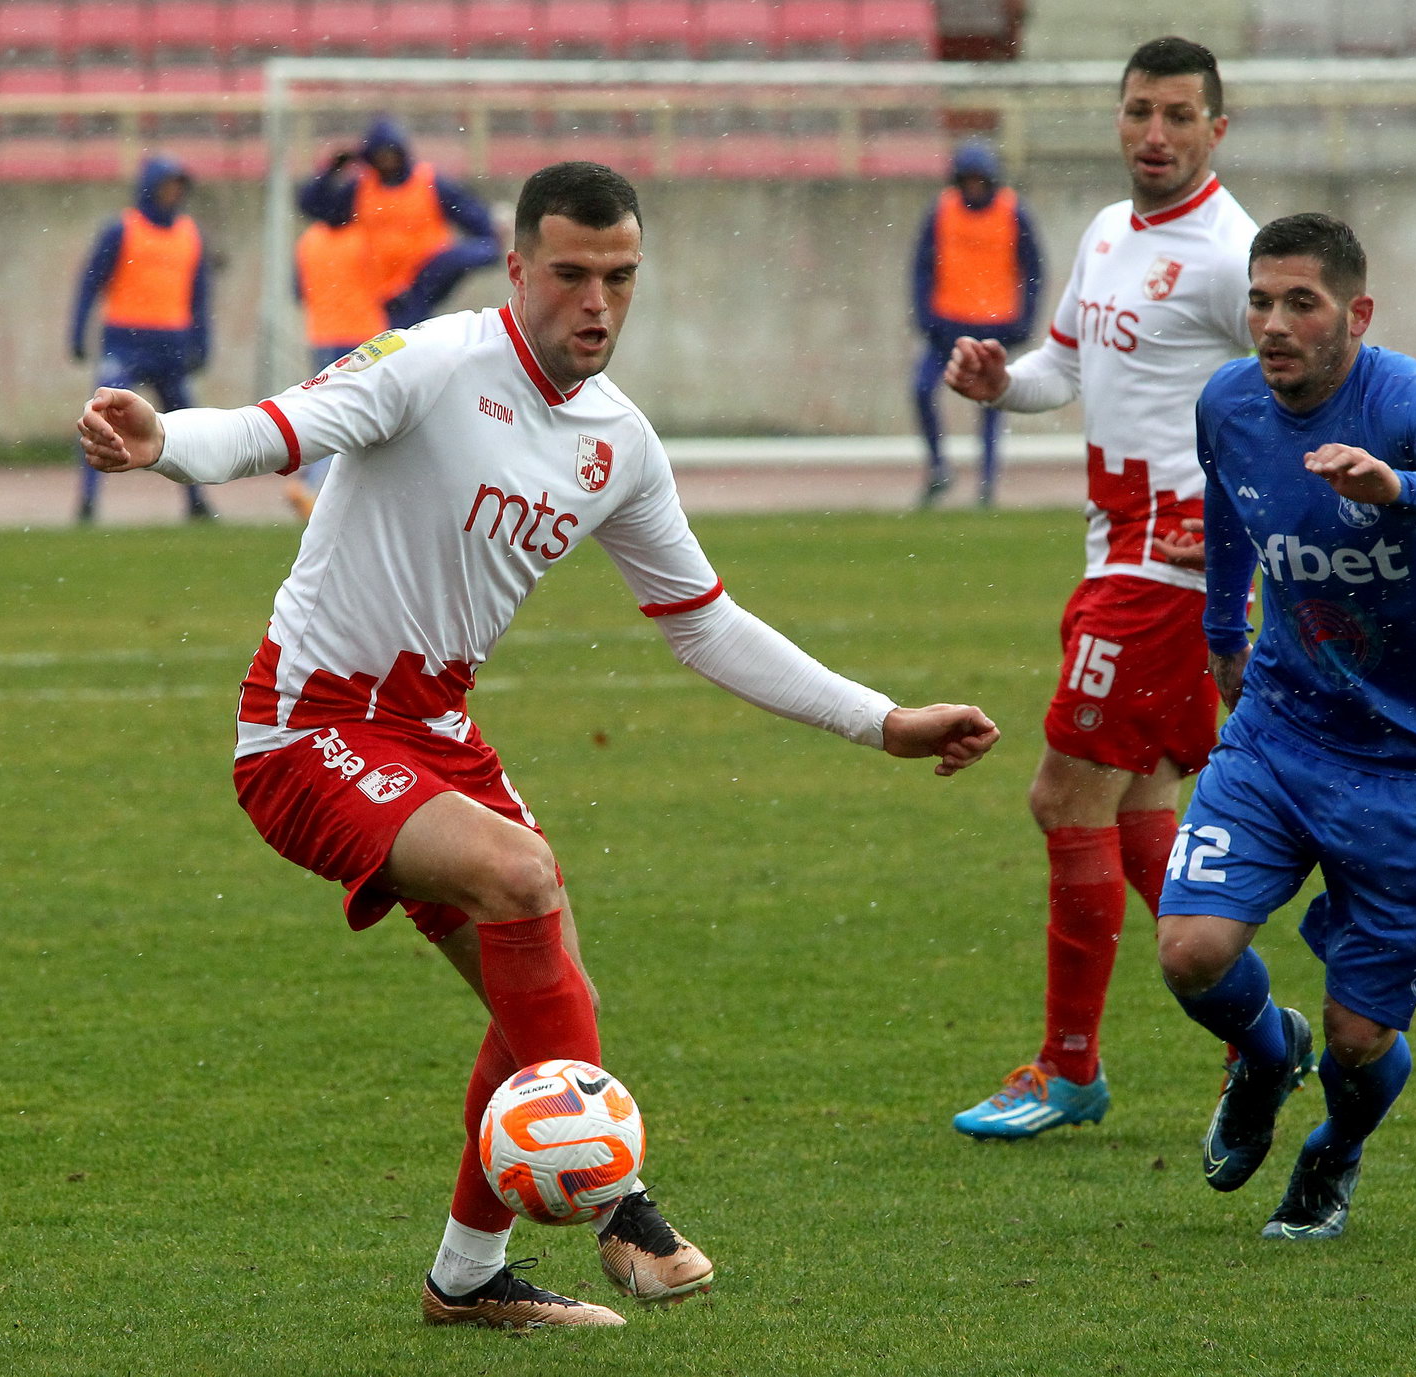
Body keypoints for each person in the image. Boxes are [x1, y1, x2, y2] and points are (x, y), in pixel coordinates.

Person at [76, 162, 1000, 1329]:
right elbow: (272, 431)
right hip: (307, 731)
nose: (596, 303)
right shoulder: (431, 363)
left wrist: (881, 721)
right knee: (523, 881)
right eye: (569, 274)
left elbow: (704, 622)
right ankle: (625, 1215)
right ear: (517, 268)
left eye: (618, 277)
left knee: (552, 1000)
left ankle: (466, 1282)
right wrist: (161, 439)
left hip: (436, 737)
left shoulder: (617, 443)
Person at [1158, 212, 1416, 1240]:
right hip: (1283, 722)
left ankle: (1333, 1151)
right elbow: (1231, 510)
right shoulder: (1228, 402)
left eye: (1300, 303)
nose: (1271, 324)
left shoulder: (1404, 401)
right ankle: (1264, 1054)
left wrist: (1400, 488)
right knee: (1188, 950)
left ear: (1354, 314)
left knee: (1360, 1038)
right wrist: (1220, 627)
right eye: (1259, 301)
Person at [941, 36, 1257, 1140]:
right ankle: (1253, 1033)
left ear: (1216, 129)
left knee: (1058, 797)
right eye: (1137, 112)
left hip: (1161, 570)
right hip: (1110, 546)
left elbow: (1297, 394)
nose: (1153, 134)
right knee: (1134, 814)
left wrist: (1227, 524)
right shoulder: (1106, 234)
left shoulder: (1233, 254)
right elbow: (1064, 368)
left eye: (1177, 115)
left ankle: (1068, 1070)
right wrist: (999, 382)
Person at [68, 154, 215, 524]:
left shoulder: (190, 234)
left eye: (178, 187)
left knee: (185, 426)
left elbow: (200, 297)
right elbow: (90, 283)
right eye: (167, 186)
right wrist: (77, 330)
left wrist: (202, 342)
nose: (173, 194)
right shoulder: (122, 229)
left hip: (171, 346)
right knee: (100, 419)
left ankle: (196, 500)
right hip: (125, 342)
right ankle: (87, 500)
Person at [910, 139, 1043, 507]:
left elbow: (1033, 270)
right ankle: (939, 467)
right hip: (946, 325)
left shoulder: (1012, 211)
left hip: (993, 325)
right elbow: (922, 267)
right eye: (966, 180)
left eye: (979, 180)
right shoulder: (942, 210)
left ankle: (986, 483)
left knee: (990, 406)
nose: (973, 187)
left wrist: (1024, 319)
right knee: (922, 389)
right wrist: (924, 316)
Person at [297, 117, 501, 330]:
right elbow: (317, 208)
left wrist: (488, 239)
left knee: (469, 253)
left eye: (390, 154)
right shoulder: (362, 188)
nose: (387, 162)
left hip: (428, 271)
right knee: (404, 336)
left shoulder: (428, 181)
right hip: (391, 288)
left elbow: (470, 212)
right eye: (380, 156)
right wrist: (332, 171)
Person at [284, 195, 389, 520]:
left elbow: (297, 290)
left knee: (326, 409)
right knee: (354, 416)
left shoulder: (309, 241)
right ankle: (314, 486)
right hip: (364, 336)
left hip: (322, 335)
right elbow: (388, 281)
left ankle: (310, 479)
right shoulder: (364, 237)